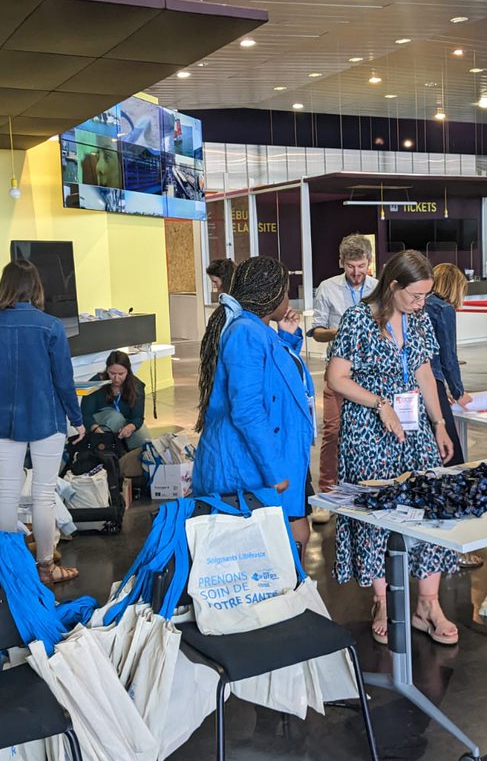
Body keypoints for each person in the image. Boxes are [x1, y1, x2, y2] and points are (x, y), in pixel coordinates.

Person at [326, 250, 459, 646]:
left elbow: (424, 373)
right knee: (377, 514)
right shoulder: (358, 320)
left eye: (425, 297)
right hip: (369, 431)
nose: (422, 304)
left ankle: (428, 604)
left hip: (415, 429)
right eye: (415, 296)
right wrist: (380, 404)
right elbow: (337, 378)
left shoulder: (418, 319)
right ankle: (382, 601)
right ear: (394, 286)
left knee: (430, 508)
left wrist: (439, 423)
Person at [193, 256, 315, 557]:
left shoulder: (257, 329)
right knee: (275, 552)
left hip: (267, 461)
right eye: (285, 291)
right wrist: (275, 471)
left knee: (293, 541)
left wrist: (286, 338)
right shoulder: (245, 333)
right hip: (252, 469)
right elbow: (247, 410)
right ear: (272, 294)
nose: (288, 298)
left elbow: (272, 376)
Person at [0, 260, 86, 588]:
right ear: (36, 287)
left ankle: (9, 570)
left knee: (8, 494)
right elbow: (63, 381)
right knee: (44, 494)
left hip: (2, 419)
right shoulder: (51, 326)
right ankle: (45, 568)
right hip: (45, 418)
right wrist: (77, 419)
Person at [309, 234, 377, 521]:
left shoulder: (379, 288)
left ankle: (367, 490)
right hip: (338, 371)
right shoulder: (327, 288)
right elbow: (316, 330)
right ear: (341, 263)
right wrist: (341, 331)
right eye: (351, 266)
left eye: (361, 266)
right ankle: (327, 495)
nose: (357, 272)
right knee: (334, 431)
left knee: (370, 433)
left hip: (371, 372)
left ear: (369, 263)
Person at [424, 264, 483, 571]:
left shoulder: (420, 305)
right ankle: (457, 546)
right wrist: (458, 392)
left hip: (418, 389)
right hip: (432, 387)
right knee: (452, 460)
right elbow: (447, 355)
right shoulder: (443, 309)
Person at [80, 350, 149, 450]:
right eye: (112, 373)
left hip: (125, 425)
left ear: (128, 371)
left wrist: (131, 427)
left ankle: (131, 457)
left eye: (121, 374)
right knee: (115, 417)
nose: (116, 379)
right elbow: (85, 414)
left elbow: (138, 418)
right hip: (99, 426)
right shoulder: (95, 383)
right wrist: (97, 431)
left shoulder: (136, 386)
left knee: (143, 437)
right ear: (107, 370)